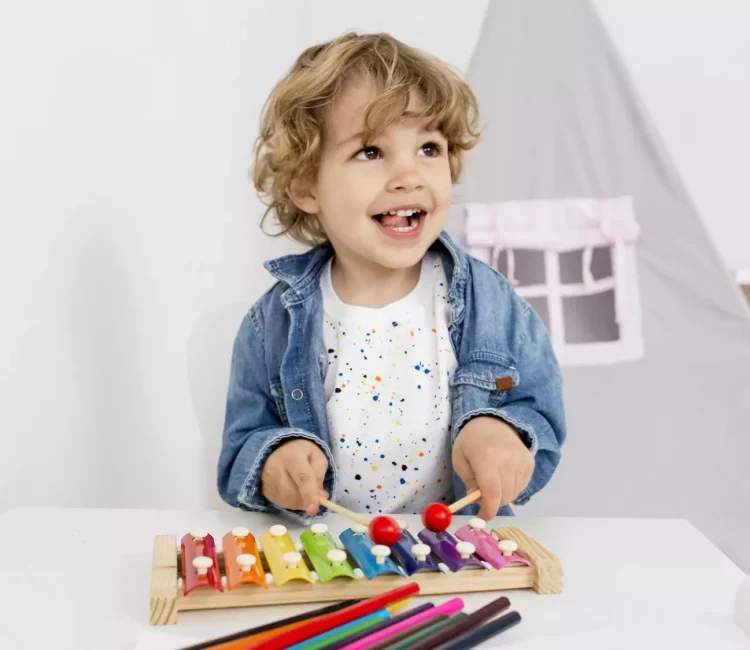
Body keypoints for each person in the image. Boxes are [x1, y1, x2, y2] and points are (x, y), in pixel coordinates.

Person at [217, 32, 566, 524]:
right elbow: (241, 448)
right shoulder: (272, 323)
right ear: (305, 185)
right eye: (371, 152)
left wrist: (500, 430)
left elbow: (535, 407)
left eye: (428, 147)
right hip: (334, 559)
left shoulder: (488, 302)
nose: (408, 175)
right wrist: (275, 458)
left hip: (456, 558)